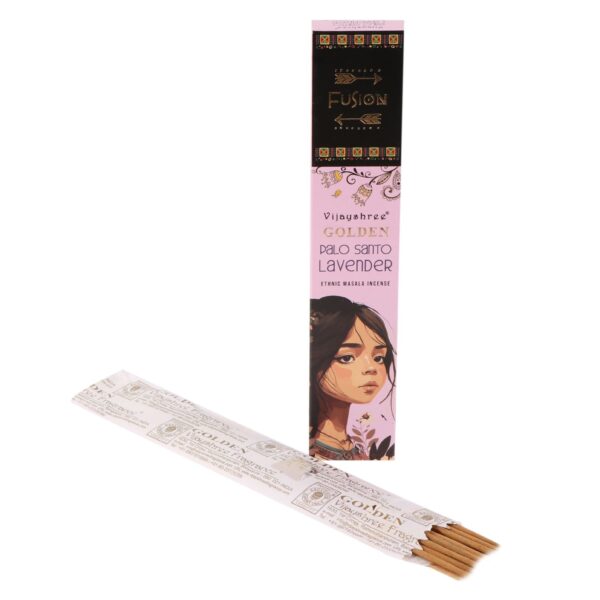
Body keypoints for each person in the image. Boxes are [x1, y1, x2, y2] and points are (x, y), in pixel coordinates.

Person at [309, 295, 396, 460]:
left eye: (379, 358)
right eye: (347, 357)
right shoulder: (310, 449)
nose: (371, 368)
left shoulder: (357, 450)